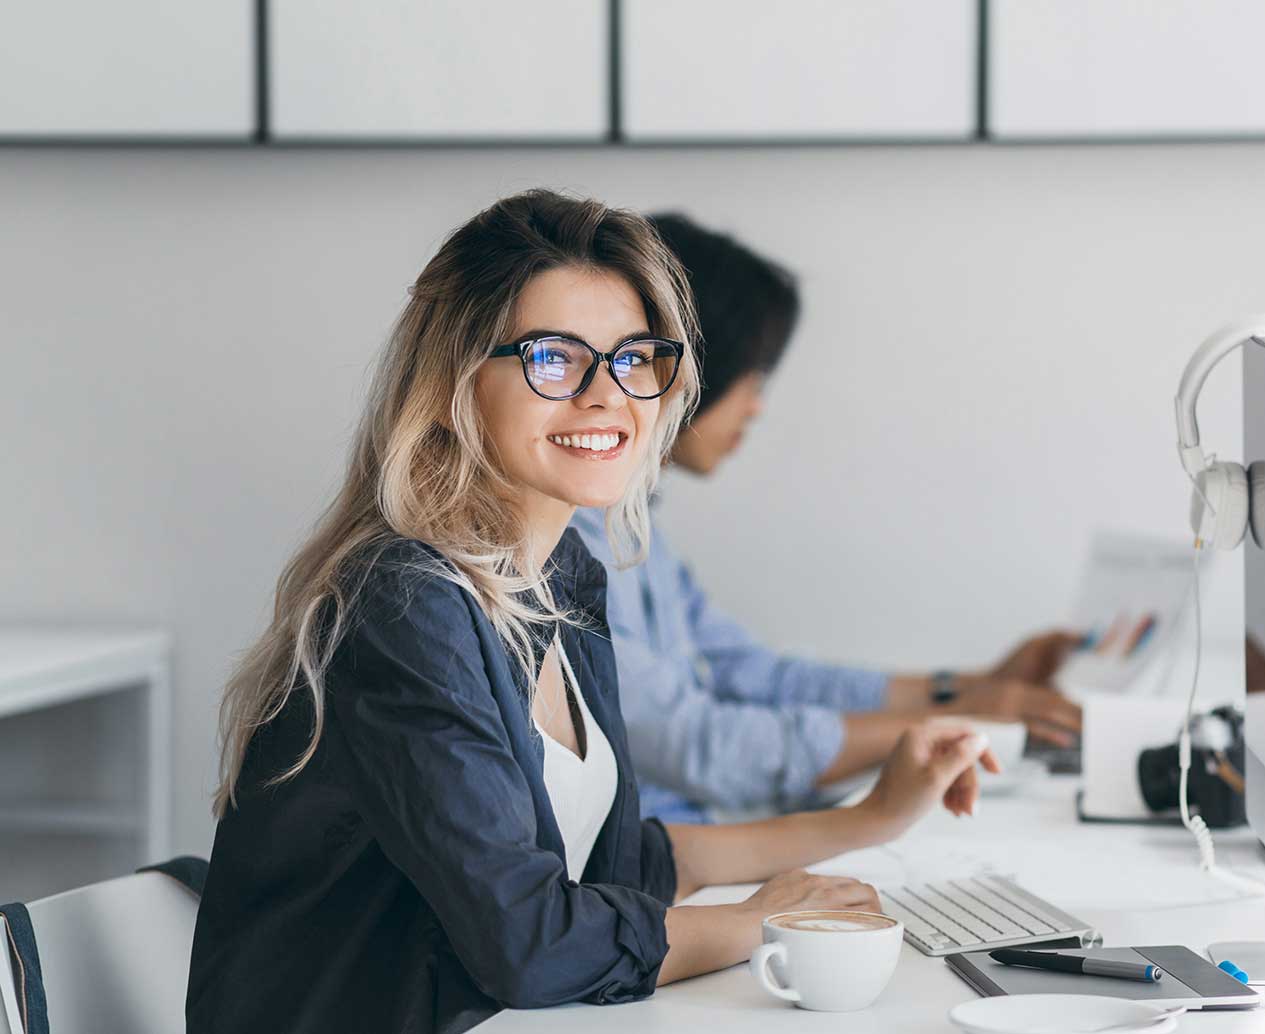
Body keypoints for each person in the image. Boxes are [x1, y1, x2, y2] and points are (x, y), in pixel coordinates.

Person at [187, 191, 999, 1034]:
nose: (607, 394)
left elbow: (621, 864)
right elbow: (531, 944)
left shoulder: (561, 576)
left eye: (634, 358)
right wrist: (761, 922)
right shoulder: (405, 604)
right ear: (456, 380)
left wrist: (870, 819)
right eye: (553, 358)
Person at [571, 214, 1081, 823]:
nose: (757, 406)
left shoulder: (635, 530)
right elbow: (697, 744)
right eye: (751, 375)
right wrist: (952, 722)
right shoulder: (569, 544)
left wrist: (967, 691)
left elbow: (753, 674)